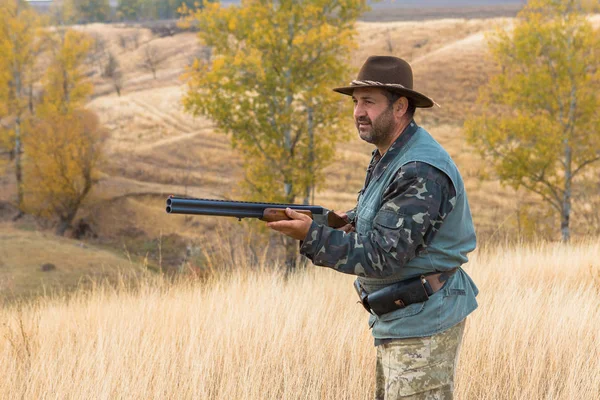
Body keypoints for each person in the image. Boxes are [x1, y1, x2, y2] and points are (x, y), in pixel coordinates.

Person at [267, 55, 478, 400]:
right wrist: (344, 221)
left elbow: (384, 255)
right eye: (355, 102)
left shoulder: (418, 168)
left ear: (400, 107)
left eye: (369, 102)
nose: (358, 112)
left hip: (423, 321)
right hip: (404, 317)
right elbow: (386, 218)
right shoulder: (391, 154)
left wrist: (312, 235)